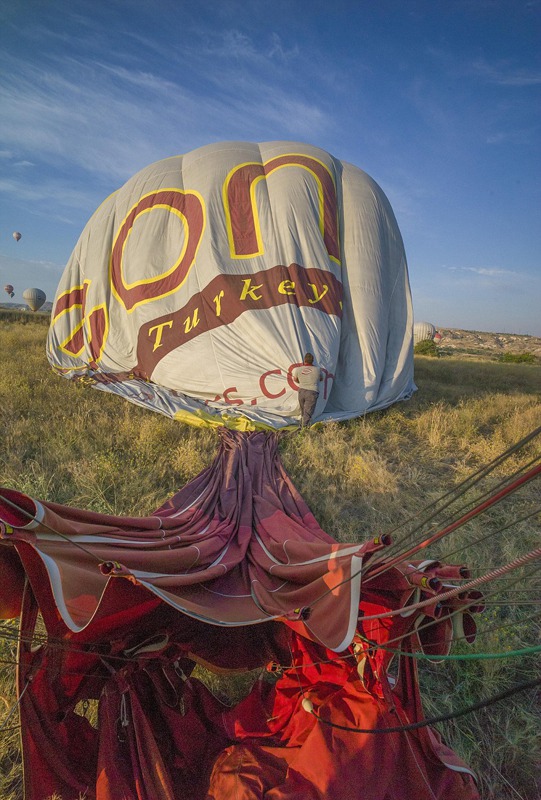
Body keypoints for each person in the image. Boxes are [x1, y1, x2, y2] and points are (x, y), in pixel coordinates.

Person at [292, 352, 323, 428]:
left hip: (302, 391)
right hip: (312, 392)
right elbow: (321, 379)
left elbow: (295, 379)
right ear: (312, 360)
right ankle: (303, 429)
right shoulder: (318, 370)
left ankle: (302, 426)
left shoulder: (298, 369)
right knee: (308, 412)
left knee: (303, 411)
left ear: (304, 360)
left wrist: (301, 381)